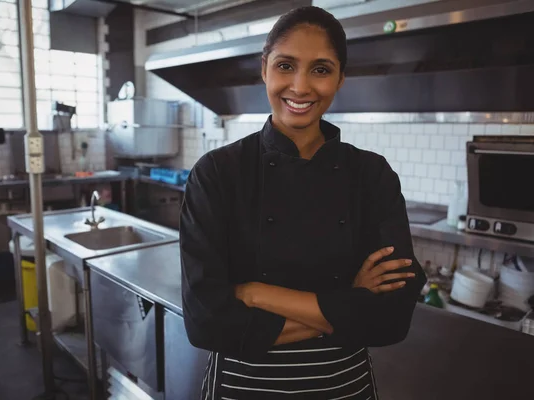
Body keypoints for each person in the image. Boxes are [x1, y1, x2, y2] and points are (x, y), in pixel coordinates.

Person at [180, 6, 427, 399]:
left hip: (343, 387)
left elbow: (391, 320)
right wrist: (352, 304)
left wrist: (257, 295)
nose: (300, 86)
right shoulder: (217, 174)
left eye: (321, 69)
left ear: (341, 78)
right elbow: (207, 323)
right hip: (244, 389)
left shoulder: (371, 175)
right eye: (285, 65)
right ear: (264, 69)